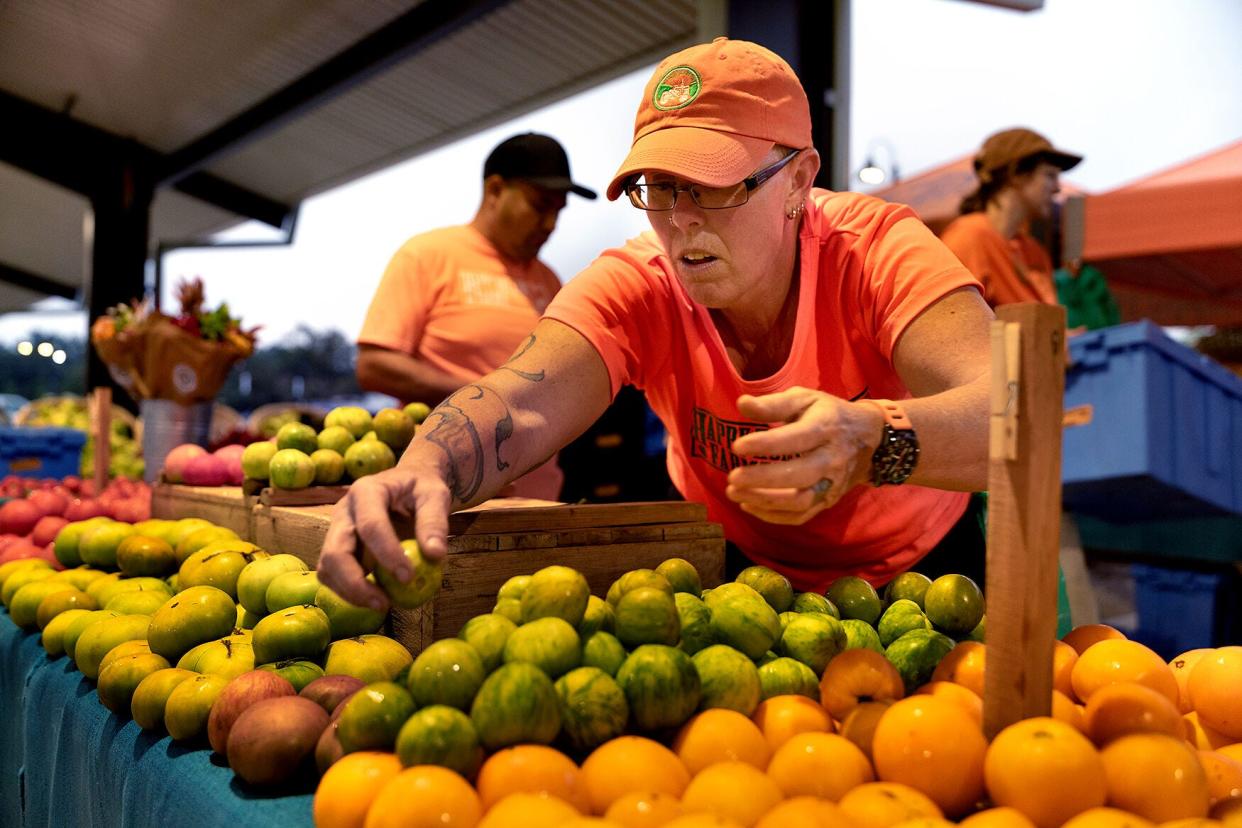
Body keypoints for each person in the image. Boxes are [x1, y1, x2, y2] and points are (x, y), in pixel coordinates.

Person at [320, 38, 995, 611]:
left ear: (798, 180)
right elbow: (520, 401)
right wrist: (427, 465)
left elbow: (1013, 412)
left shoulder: (875, 250)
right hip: (736, 570)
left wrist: (872, 442)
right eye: (660, 187)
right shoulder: (639, 282)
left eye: (713, 184)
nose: (679, 220)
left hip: (921, 573)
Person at [354, 132, 597, 499]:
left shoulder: (549, 280)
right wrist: (485, 399)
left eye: (559, 211)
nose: (550, 224)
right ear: (495, 190)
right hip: (447, 493)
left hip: (538, 496)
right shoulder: (428, 255)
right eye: (540, 205)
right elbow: (374, 365)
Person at [940, 127, 1083, 309]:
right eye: (1049, 175)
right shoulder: (969, 238)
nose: (1057, 188)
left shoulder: (1034, 251)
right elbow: (954, 323)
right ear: (1016, 175)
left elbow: (1040, 325)